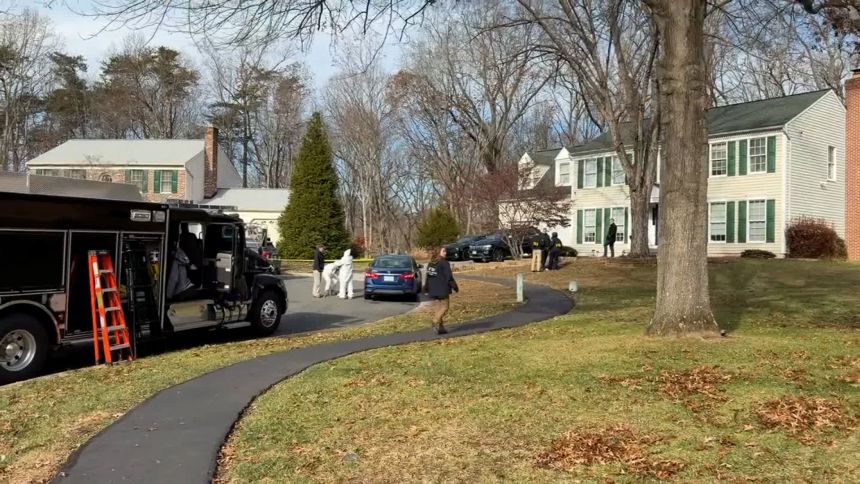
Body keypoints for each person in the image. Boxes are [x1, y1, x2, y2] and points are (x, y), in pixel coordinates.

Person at [424, 247, 458, 334]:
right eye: (443, 251)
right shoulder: (444, 263)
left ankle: (441, 328)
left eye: (445, 251)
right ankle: (434, 321)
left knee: (439, 308)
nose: (445, 253)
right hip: (442, 289)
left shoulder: (431, 263)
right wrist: (455, 286)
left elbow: (428, 276)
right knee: (445, 307)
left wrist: (426, 288)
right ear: (438, 252)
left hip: (433, 289)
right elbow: (449, 277)